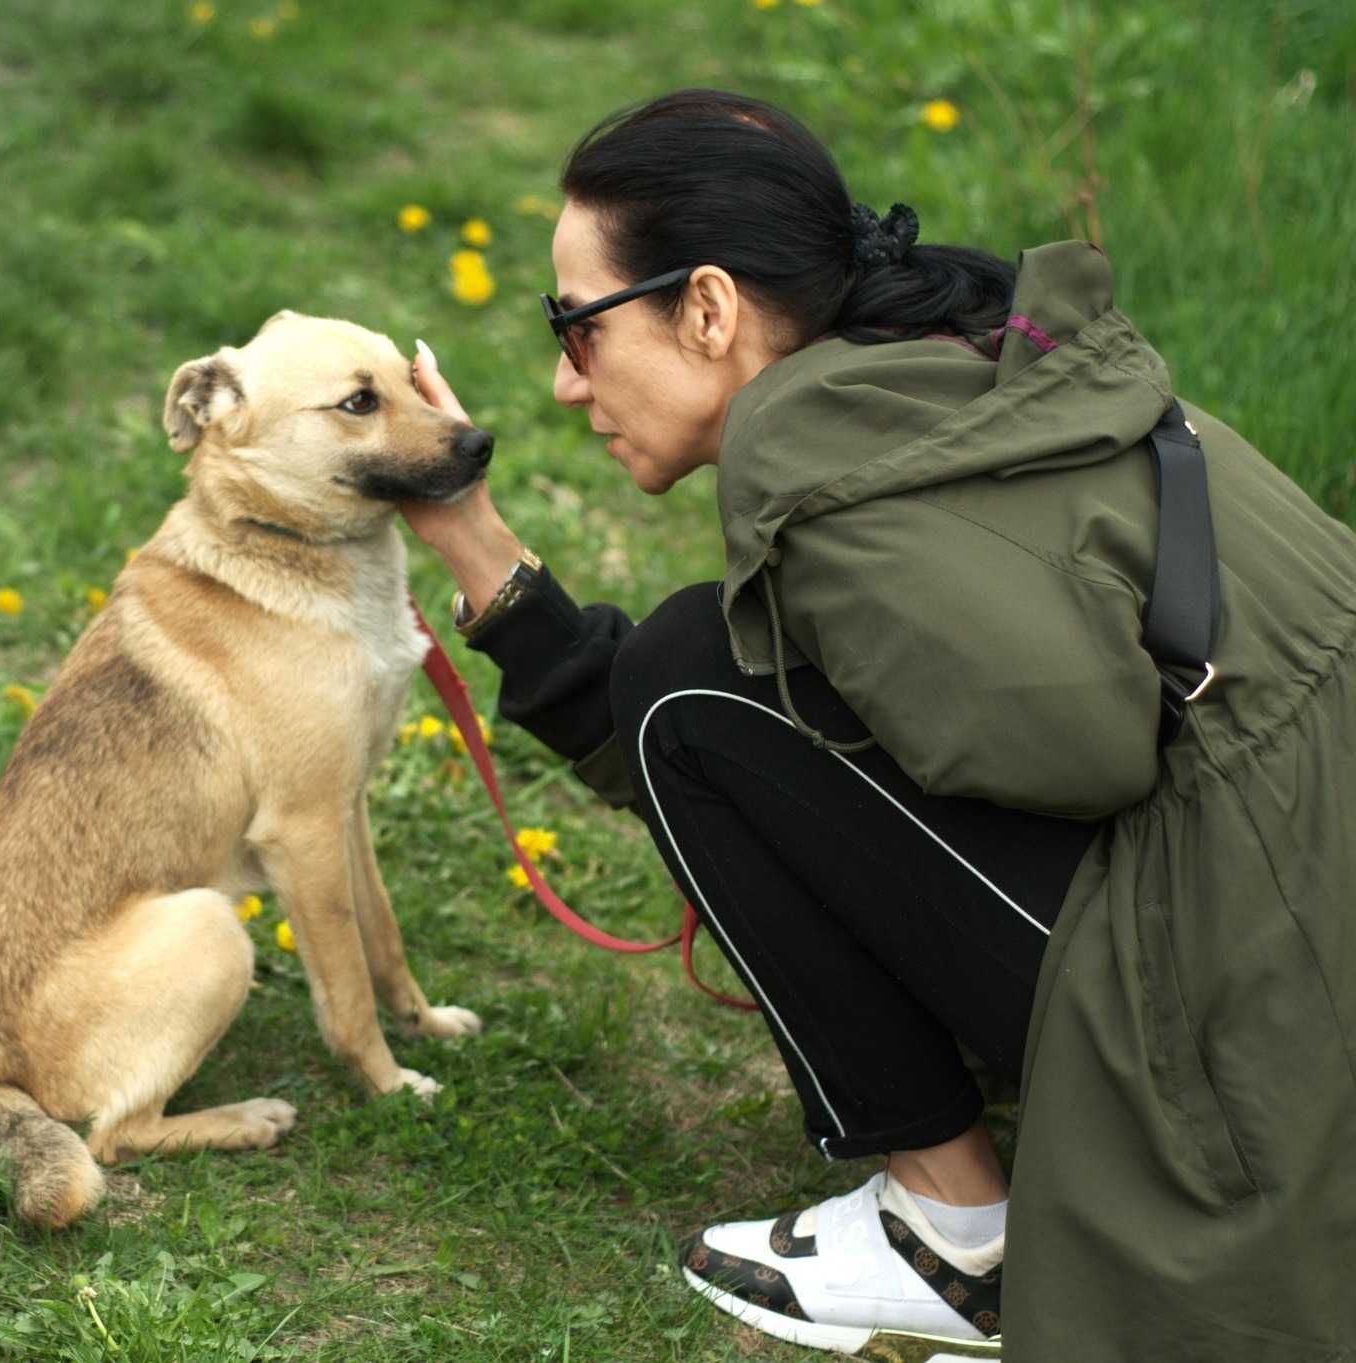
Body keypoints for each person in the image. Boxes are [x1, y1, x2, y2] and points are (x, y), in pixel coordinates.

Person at [399, 89, 1356, 1362]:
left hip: (1264, 1028)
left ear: (706, 307)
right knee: (698, 690)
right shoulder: (965, 361)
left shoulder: (832, 482)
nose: (562, 381)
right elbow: (792, 758)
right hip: (1307, 904)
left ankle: (950, 1233)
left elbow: (1079, 752)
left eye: (573, 327)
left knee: (687, 674)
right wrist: (474, 541)